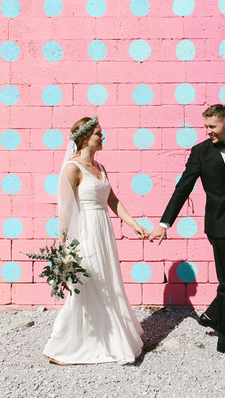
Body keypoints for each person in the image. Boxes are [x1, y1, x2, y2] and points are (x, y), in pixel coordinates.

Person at [149, 104, 225, 359]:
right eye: (205, 127)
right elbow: (182, 189)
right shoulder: (200, 152)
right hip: (219, 225)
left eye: (212, 126)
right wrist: (164, 224)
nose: (208, 132)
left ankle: (212, 314)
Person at [43, 116, 148, 365]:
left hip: (104, 231)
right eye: (98, 134)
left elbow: (113, 201)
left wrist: (134, 225)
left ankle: (110, 338)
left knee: (108, 281)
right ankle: (63, 346)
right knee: (89, 285)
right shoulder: (72, 168)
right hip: (86, 233)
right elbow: (66, 211)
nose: (103, 137)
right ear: (84, 138)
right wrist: (65, 247)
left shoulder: (101, 168)